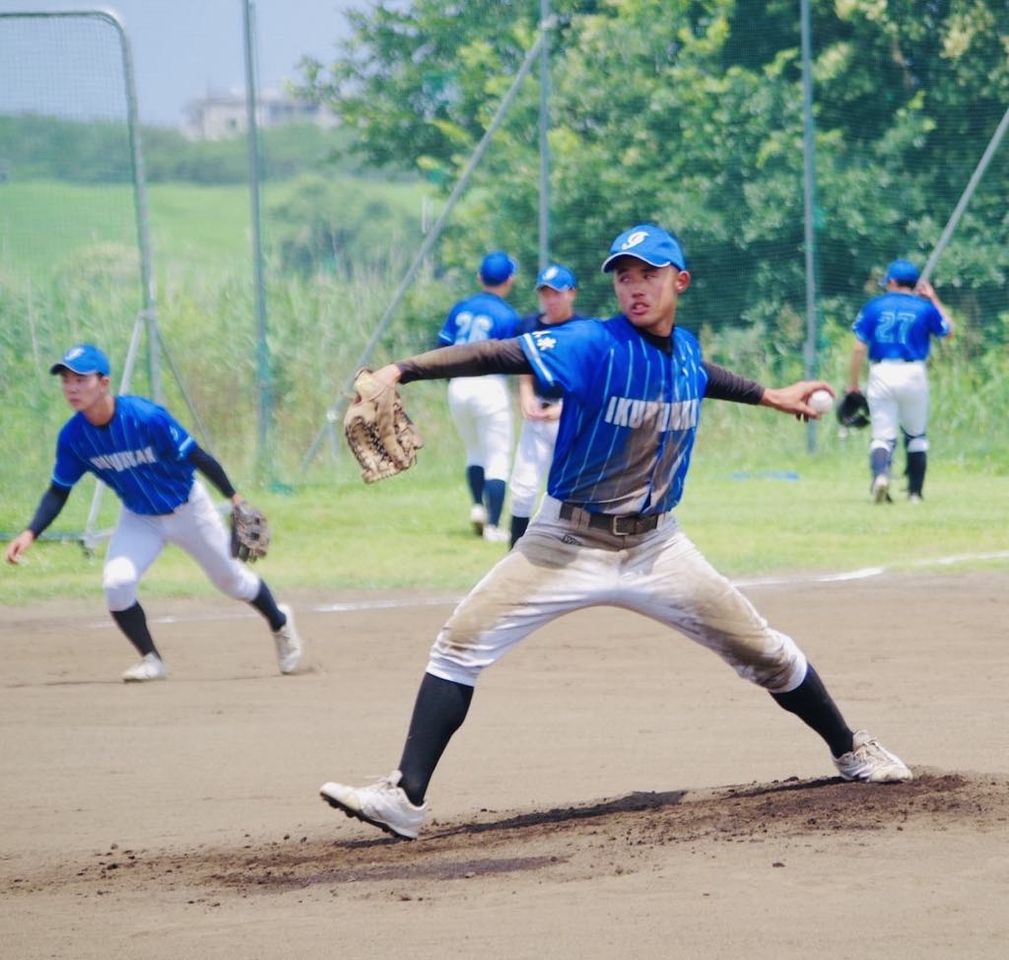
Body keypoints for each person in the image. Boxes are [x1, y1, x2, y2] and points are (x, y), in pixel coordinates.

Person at [320, 224, 912, 841]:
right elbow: (501, 353)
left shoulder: (683, 350)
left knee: (765, 651)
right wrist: (400, 370)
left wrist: (771, 396)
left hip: (658, 547)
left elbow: (705, 375)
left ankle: (851, 750)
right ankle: (405, 798)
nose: (634, 287)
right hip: (566, 542)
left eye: (648, 274)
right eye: (624, 276)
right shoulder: (591, 344)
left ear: (678, 281)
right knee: (460, 643)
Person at [4, 343, 304, 682]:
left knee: (231, 581)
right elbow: (59, 491)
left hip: (188, 508)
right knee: (116, 583)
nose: (71, 387)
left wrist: (235, 498)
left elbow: (198, 457)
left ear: (104, 383)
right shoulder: (73, 438)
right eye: (66, 380)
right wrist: (30, 533)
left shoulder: (146, 418)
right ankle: (152, 659)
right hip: (140, 518)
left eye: (80, 379)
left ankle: (280, 622)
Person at [847, 258, 954, 503]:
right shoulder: (924, 308)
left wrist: (853, 385)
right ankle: (915, 494)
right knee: (916, 435)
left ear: (893, 282)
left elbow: (857, 348)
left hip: (882, 372)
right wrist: (933, 299)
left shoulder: (874, 306)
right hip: (914, 373)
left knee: (882, 436)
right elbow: (949, 331)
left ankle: (881, 475)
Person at [437, 250, 521, 542]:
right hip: (489, 385)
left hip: (458, 386)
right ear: (509, 280)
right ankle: (494, 526)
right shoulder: (508, 315)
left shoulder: (461, 307)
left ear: (479, 277)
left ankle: (477, 507)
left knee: (475, 451)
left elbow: (442, 346)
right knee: (498, 457)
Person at [507, 263, 588, 548]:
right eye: (545, 293)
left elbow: (591, 379)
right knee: (523, 488)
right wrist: (526, 394)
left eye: (557, 293)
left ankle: (573, 553)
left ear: (572, 293)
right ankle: (515, 554)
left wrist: (566, 409)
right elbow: (525, 366)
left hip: (572, 414)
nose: (550, 299)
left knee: (572, 489)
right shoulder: (530, 326)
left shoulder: (584, 330)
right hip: (539, 412)